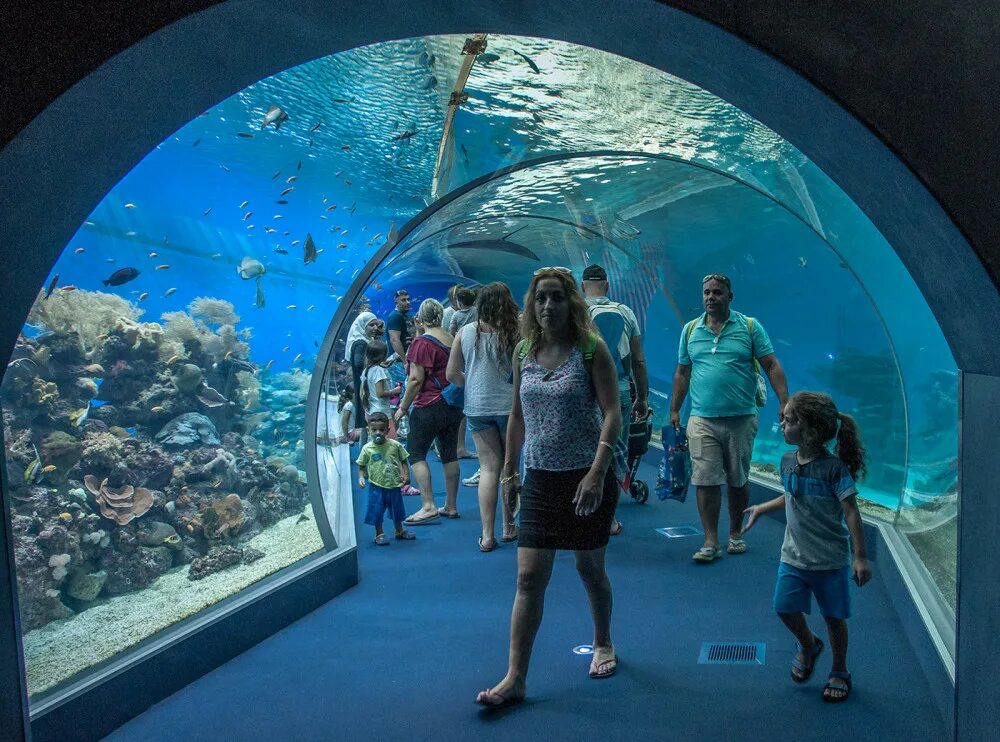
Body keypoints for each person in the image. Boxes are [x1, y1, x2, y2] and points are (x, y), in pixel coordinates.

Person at [476, 267, 623, 708]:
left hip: (585, 477)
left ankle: (603, 642)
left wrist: (598, 471)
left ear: (571, 302)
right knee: (528, 577)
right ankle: (515, 677)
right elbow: (517, 415)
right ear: (531, 303)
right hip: (540, 476)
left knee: (589, 570)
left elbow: (613, 411)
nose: (548, 306)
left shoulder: (591, 349)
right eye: (541, 298)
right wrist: (510, 471)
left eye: (556, 297)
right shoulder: (524, 350)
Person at [741, 391, 870, 703]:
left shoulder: (833, 469)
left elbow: (851, 510)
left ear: (810, 432)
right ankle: (808, 644)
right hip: (794, 556)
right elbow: (791, 494)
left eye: (788, 420)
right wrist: (763, 508)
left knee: (834, 618)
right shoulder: (787, 462)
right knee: (784, 607)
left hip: (830, 560)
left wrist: (861, 556)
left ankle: (839, 669)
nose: (782, 424)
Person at [669, 273, 789, 562]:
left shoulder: (749, 327)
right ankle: (710, 540)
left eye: (717, 292)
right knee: (705, 480)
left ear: (729, 296)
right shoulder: (690, 330)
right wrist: (674, 408)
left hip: (741, 418)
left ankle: (735, 533)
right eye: (707, 293)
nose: (711, 297)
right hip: (702, 418)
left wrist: (785, 400)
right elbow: (682, 372)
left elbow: (771, 364)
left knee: (737, 480)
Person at [446, 281, 519, 551]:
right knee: (510, 467)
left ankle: (487, 535)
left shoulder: (464, 332)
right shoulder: (517, 333)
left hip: (477, 408)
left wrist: (475, 383)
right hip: (511, 409)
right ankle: (509, 527)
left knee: (489, 469)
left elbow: (451, 375)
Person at [581, 263, 650, 536]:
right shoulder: (625, 311)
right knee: (612, 451)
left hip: (585, 389)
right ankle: (609, 517)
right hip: (619, 388)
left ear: (582, 286)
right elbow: (638, 360)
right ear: (607, 286)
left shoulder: (579, 313)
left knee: (585, 449)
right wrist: (641, 397)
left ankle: (582, 510)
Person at [395, 299, 464, 525]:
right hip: (452, 404)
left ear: (420, 317)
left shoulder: (421, 343)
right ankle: (451, 505)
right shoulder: (451, 339)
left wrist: (402, 407)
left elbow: (415, 379)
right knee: (449, 453)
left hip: (429, 404)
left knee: (415, 453)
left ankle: (428, 505)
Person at [356, 413, 417, 546]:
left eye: (381, 430)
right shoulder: (367, 449)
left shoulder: (395, 445)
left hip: (394, 485)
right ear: (368, 430)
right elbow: (361, 465)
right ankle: (379, 533)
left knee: (397, 509)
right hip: (376, 486)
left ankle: (399, 530)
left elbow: (404, 460)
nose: (378, 433)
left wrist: (407, 474)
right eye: (374, 430)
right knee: (376, 510)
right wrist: (361, 477)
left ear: (387, 430)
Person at [345, 311, 384, 440]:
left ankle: (364, 453)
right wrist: (373, 366)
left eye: (376, 325)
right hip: (366, 387)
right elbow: (358, 363)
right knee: (370, 423)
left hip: (363, 386)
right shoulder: (361, 342)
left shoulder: (360, 340)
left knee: (366, 428)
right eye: (371, 325)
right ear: (362, 326)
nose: (375, 328)